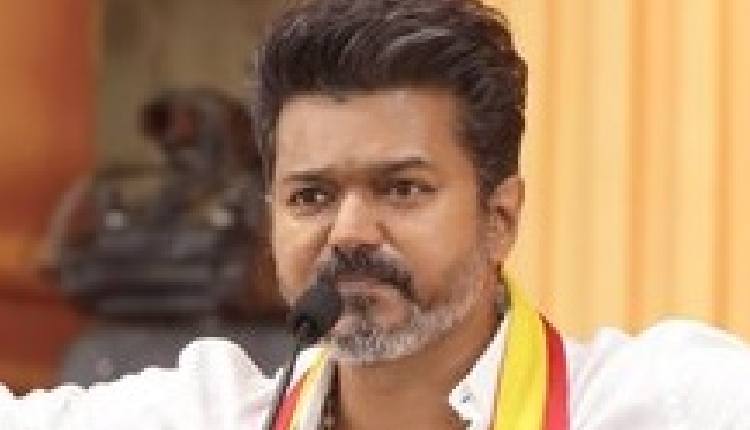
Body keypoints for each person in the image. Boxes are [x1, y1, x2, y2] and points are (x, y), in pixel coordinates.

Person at [2, 0, 749, 429]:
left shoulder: (664, 402)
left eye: (402, 189)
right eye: (311, 197)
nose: (349, 231)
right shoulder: (215, 412)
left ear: (500, 216)